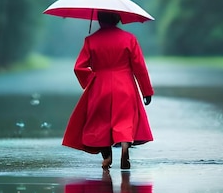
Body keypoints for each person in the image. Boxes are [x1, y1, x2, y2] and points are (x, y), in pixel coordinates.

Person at [62, 11, 154, 170]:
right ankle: (125, 145)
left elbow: (79, 67)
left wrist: (90, 79)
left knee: (101, 124)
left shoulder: (91, 40)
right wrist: (146, 90)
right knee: (124, 121)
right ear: (118, 20)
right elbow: (139, 67)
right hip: (125, 86)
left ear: (99, 20)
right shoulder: (130, 39)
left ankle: (107, 157)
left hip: (100, 86)